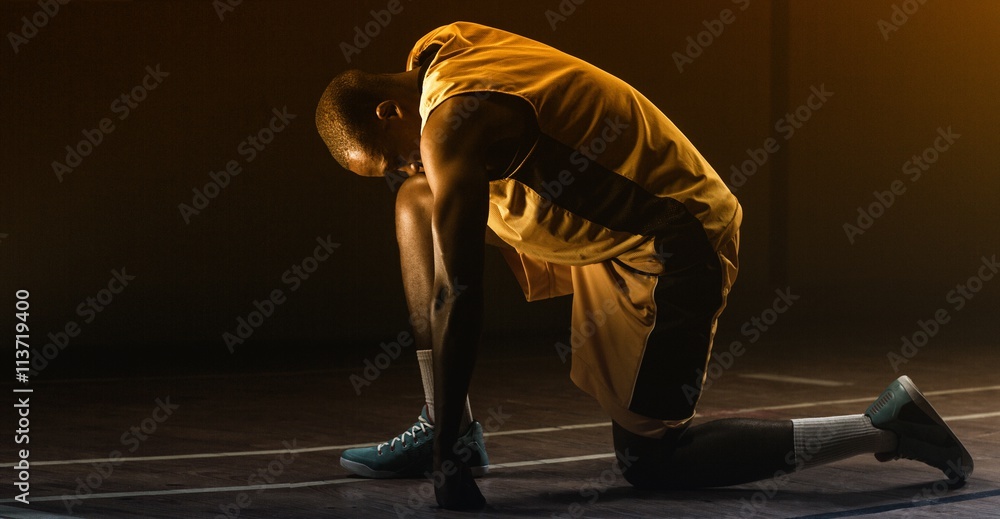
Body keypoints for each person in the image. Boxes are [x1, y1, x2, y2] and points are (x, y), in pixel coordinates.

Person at [315, 21, 972, 511]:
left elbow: (458, 290)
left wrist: (444, 472)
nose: (406, 164)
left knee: (652, 459)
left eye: (394, 154)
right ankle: (444, 421)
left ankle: (884, 426)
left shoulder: (452, 125)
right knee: (414, 201)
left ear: (389, 110)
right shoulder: (438, 48)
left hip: (670, 242)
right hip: (603, 214)